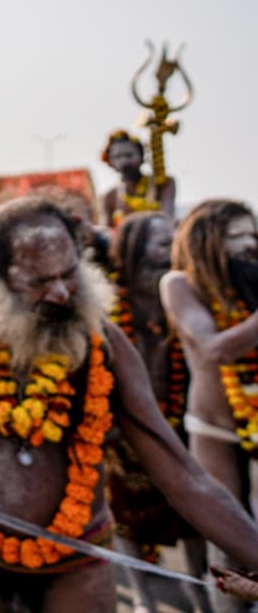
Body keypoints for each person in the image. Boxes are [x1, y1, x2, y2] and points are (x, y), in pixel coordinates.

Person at [0, 196, 258, 612]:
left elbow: (184, 474)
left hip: (78, 558)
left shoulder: (104, 345)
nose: (59, 293)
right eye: (37, 282)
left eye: (69, 273)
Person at [103, 212, 210, 612]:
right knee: (129, 517)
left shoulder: (187, 294)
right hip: (124, 433)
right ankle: (144, 599)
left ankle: (199, 592)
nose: (171, 253)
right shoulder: (109, 303)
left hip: (182, 424)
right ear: (133, 249)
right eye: (162, 244)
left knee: (195, 516)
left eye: (174, 242)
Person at [160, 199, 258, 613]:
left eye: (254, 233)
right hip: (212, 428)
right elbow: (214, 348)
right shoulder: (180, 284)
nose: (250, 243)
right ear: (207, 239)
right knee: (228, 543)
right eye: (238, 236)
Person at [101, 129, 175, 228]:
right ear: (110, 162)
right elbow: (106, 230)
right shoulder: (110, 196)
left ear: (142, 157)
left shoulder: (163, 184)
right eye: (117, 157)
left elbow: (166, 219)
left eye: (129, 155)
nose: (123, 162)